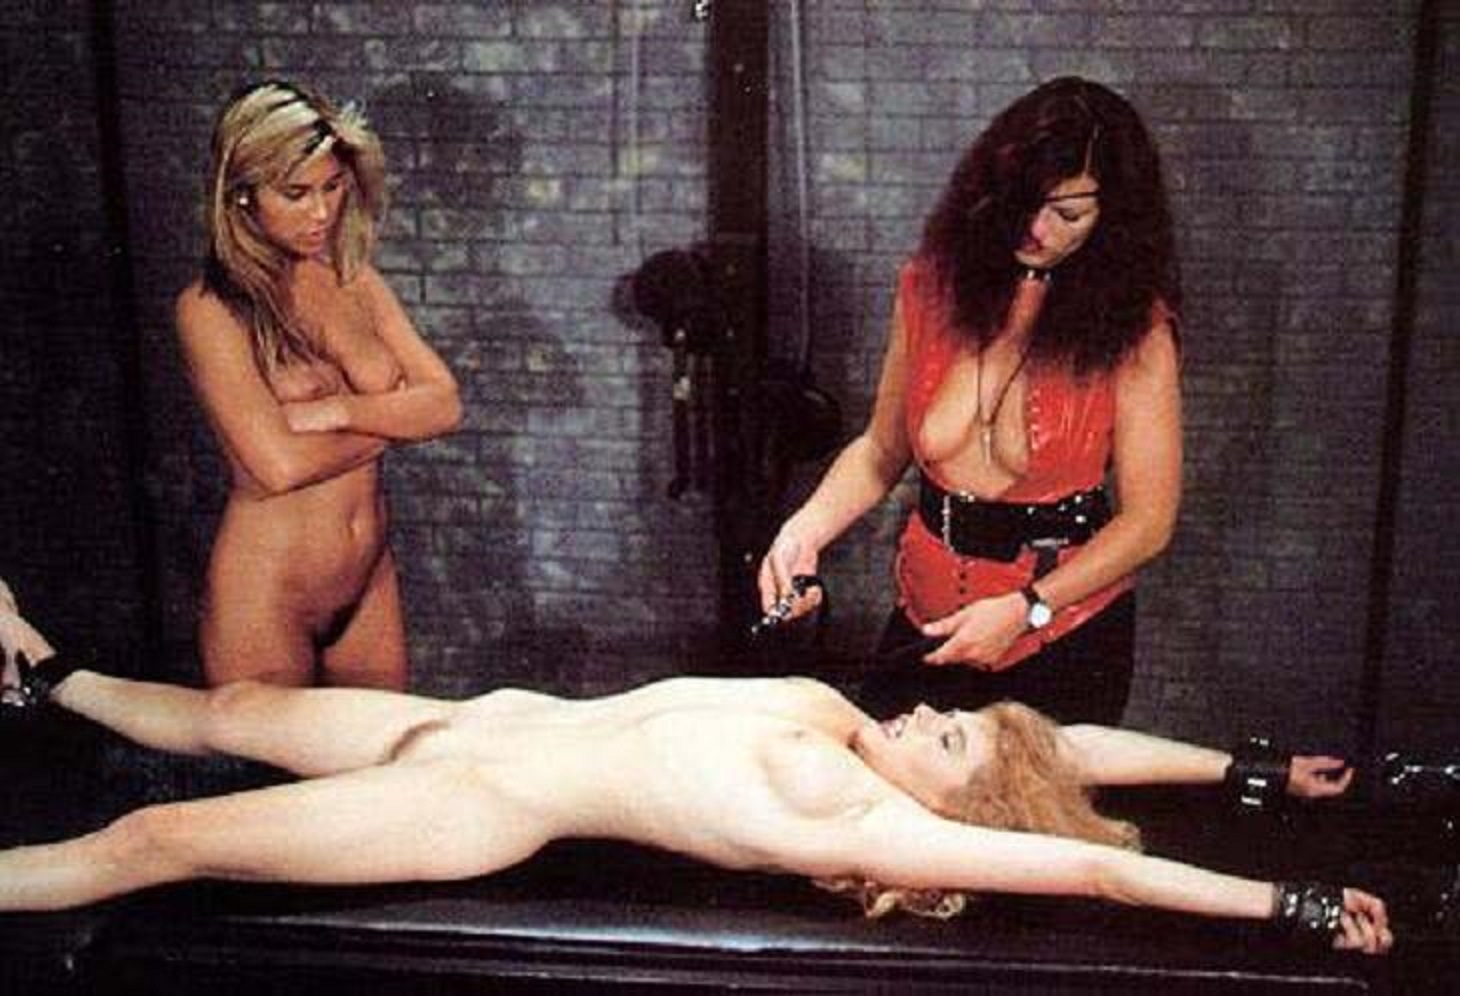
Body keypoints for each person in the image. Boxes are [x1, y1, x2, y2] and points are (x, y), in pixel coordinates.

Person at [0, 595, 1391, 955]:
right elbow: (1069, 753)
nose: (927, 714)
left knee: (153, 845)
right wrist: (1251, 767)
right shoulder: (852, 728)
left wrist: (1294, 905)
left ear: (951, 807)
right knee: (237, 705)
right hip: (488, 718)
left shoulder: (864, 817)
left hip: (474, 802)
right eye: (948, 717)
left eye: (946, 743)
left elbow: (1090, 861)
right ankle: (44, 675)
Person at [758, 78, 1181, 725]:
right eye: (1025, 201)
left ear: (1112, 218)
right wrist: (802, 532)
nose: (1036, 228)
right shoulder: (930, 287)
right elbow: (881, 450)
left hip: (1061, 631)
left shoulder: (1137, 329)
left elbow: (1148, 522)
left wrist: (1029, 607)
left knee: (1031, 792)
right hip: (927, 618)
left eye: (1068, 215)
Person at [176, 80, 461, 690]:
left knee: (384, 748)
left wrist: (335, 411)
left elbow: (445, 402)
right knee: (276, 757)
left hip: (369, 579)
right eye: (296, 194)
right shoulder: (209, 309)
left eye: (332, 187)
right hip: (269, 593)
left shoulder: (354, 279)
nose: (322, 213)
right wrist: (397, 420)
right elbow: (278, 466)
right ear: (242, 194)